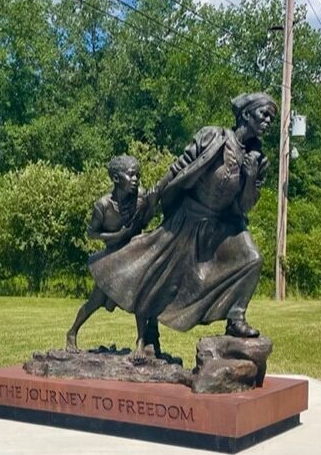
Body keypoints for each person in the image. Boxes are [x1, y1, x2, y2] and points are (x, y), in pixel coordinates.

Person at [88, 92, 277, 346]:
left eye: (271, 118)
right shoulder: (213, 136)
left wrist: (251, 177)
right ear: (246, 114)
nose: (267, 121)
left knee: (252, 259)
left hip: (223, 225)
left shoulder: (259, 160)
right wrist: (155, 193)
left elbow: (245, 206)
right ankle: (150, 329)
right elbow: (180, 166)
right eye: (263, 114)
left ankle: (236, 318)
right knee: (163, 276)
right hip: (189, 218)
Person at [65, 155, 159, 354]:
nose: (136, 179)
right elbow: (91, 233)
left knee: (140, 299)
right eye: (131, 175)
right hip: (112, 260)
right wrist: (115, 235)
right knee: (96, 301)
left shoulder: (140, 196)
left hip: (134, 256)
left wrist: (151, 205)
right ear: (116, 178)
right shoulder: (103, 205)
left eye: (138, 175)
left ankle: (141, 342)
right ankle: (72, 332)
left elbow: (144, 223)